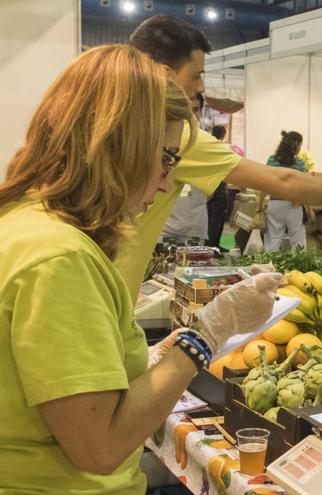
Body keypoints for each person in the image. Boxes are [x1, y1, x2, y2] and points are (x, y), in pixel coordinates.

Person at [0, 44, 282, 493]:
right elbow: (100, 447)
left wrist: (162, 352)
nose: (168, 182)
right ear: (119, 145)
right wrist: (206, 335)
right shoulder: (60, 259)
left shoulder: (26, 223)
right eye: (167, 159)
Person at [121, 15, 322, 298]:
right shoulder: (176, 134)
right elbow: (282, 180)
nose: (200, 88)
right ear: (165, 75)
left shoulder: (114, 121)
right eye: (197, 74)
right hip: (104, 294)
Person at [261, 131, 308, 251]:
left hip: (275, 204)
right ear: (297, 145)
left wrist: (260, 203)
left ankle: (268, 266)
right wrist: (308, 207)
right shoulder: (300, 164)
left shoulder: (272, 161)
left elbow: (265, 184)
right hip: (294, 204)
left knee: (273, 239)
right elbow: (304, 188)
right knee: (298, 241)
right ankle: (299, 268)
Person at [205, 125, 229, 250]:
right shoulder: (221, 148)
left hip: (209, 188)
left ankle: (214, 245)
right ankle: (212, 246)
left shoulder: (208, 147)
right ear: (223, 134)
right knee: (217, 221)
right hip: (219, 190)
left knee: (212, 219)